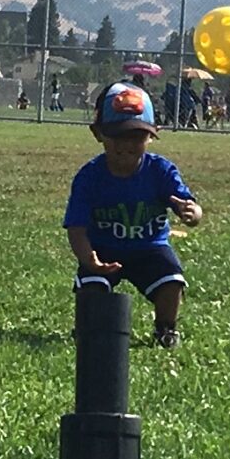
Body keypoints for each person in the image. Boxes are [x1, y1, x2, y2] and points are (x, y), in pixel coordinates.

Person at [66, 82, 202, 350]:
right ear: (98, 133)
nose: (126, 145)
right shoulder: (89, 177)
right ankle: (88, 330)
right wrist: (88, 258)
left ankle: (166, 329)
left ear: (152, 136)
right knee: (92, 289)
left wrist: (192, 213)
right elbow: (76, 227)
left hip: (150, 247)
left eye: (137, 137)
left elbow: (190, 205)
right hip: (104, 249)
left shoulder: (160, 171)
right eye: (117, 136)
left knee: (171, 281)